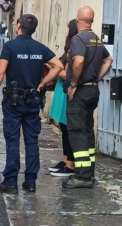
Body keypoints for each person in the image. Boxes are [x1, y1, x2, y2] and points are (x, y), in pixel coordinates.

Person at [0, 14, 63, 194]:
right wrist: (43, 82)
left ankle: (11, 182)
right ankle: (30, 182)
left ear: (19, 26)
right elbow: (59, 66)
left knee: (13, 140)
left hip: (14, 103)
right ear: (34, 30)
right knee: (31, 141)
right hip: (32, 101)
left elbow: (1, 71)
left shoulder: (10, 47)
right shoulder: (40, 48)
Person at [62, 6, 113, 189]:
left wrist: (74, 84)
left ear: (78, 20)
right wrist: (97, 78)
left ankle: (82, 176)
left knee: (77, 132)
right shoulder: (97, 40)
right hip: (92, 90)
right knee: (87, 131)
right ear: (91, 20)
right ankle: (89, 172)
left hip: (80, 91)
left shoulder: (78, 38)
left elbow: (79, 61)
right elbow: (109, 60)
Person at [48, 19, 78, 177]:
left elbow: (67, 74)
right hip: (62, 91)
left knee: (67, 128)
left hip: (66, 91)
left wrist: (54, 69)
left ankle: (70, 165)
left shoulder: (74, 47)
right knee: (63, 127)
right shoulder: (70, 48)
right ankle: (66, 159)